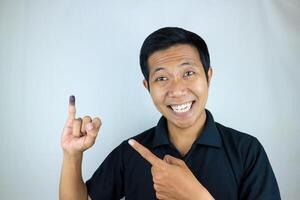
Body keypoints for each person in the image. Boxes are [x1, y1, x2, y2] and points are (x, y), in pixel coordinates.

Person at [59, 27, 281, 200]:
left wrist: (197, 197)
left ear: (208, 76)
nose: (177, 90)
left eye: (189, 73)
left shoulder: (247, 151)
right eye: (162, 78)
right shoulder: (132, 151)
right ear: (147, 86)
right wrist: (72, 156)